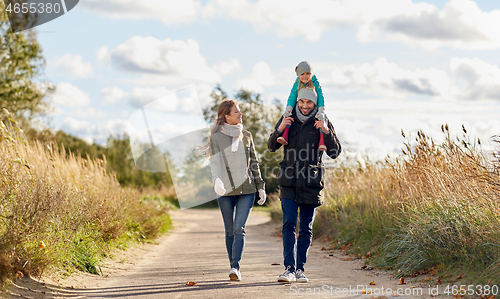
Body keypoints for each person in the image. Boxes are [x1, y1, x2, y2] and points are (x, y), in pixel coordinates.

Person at [268, 87, 341, 283]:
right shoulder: (287, 118)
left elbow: (334, 152)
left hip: (311, 182)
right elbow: (272, 146)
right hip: (289, 181)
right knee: (289, 224)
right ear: (297, 102)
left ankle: (300, 269)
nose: (305, 106)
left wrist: (326, 132)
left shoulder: (322, 121)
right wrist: (279, 128)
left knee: (306, 228)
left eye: (309, 103)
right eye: (302, 102)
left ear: (315, 104)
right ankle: (289, 269)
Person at [208, 99, 267, 281]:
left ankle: (235, 267)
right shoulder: (216, 138)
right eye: (237, 112)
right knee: (229, 231)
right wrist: (217, 179)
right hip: (225, 190)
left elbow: (254, 163)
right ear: (227, 116)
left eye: (240, 111)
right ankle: (232, 264)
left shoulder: (247, 136)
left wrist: (261, 187)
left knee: (239, 228)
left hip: (246, 189)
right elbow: (215, 162)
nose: (241, 114)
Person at [278, 61, 327, 151]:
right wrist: (289, 108)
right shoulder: (297, 83)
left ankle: (322, 140)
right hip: (291, 164)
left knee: (323, 120)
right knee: (289, 116)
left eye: (308, 73)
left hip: (316, 108)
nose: (305, 76)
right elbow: (292, 97)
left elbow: (320, 96)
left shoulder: (315, 81)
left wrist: (321, 111)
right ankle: (285, 133)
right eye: (302, 74)